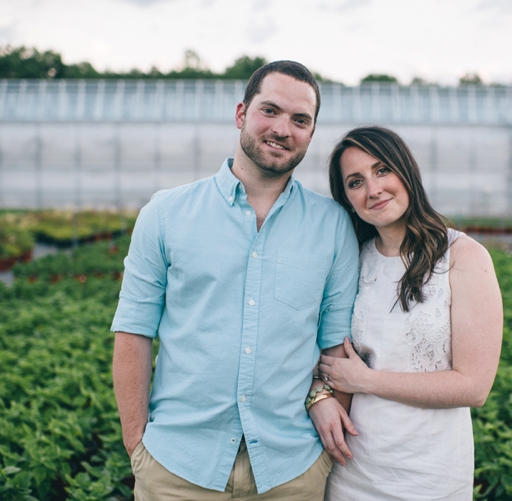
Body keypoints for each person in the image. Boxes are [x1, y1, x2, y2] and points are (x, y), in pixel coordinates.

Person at [110, 61, 360, 501]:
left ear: (312, 132)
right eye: (271, 111)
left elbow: (334, 343)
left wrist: (324, 419)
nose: (283, 129)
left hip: (292, 471)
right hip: (176, 468)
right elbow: (133, 330)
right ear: (242, 114)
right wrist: (137, 445)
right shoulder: (165, 214)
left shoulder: (333, 224)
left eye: (300, 120)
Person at [319, 126, 503, 500]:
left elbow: (474, 386)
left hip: (429, 473)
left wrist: (367, 380)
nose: (373, 189)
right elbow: (326, 355)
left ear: (407, 170)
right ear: (347, 198)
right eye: (356, 182)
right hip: (352, 467)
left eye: (382, 169)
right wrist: (320, 397)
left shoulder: (463, 256)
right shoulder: (351, 259)